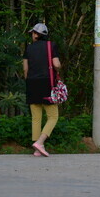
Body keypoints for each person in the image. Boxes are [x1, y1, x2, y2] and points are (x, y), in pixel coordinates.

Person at [22, 23, 62, 157]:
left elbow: (25, 69)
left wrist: (29, 81)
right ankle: (40, 142)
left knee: (36, 118)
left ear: (36, 34)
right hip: (47, 84)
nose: (32, 35)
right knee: (53, 116)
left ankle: (36, 149)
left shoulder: (28, 48)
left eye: (33, 33)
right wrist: (58, 68)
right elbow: (56, 64)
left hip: (32, 84)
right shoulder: (51, 46)